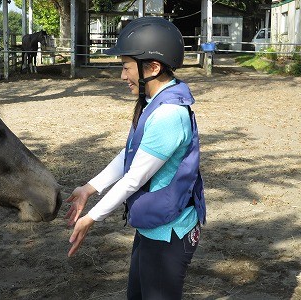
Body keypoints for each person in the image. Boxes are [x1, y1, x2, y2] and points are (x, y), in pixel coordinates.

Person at [65, 17, 206, 300]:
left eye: (126, 67)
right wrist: (89, 188)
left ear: (152, 67)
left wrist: (92, 217)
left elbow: (134, 178)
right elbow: (130, 155)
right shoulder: (154, 103)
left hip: (169, 235)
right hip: (153, 228)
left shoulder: (168, 114)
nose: (122, 76)